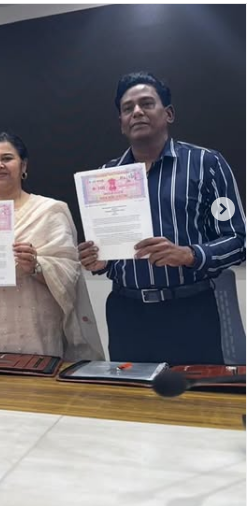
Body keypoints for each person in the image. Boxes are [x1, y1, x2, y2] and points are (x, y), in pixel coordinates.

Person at [78, 71, 246, 365]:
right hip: (126, 313)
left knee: (193, 393)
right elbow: (113, 258)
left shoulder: (206, 163)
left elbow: (239, 240)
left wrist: (189, 254)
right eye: (127, 108)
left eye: (146, 103)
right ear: (121, 122)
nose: (137, 112)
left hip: (190, 310)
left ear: (168, 113)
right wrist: (100, 261)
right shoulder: (106, 177)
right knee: (130, 394)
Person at [0, 132, 104, 361]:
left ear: (23, 165)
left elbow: (69, 274)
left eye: (7, 158)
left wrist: (36, 266)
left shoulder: (49, 211)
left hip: (34, 332)